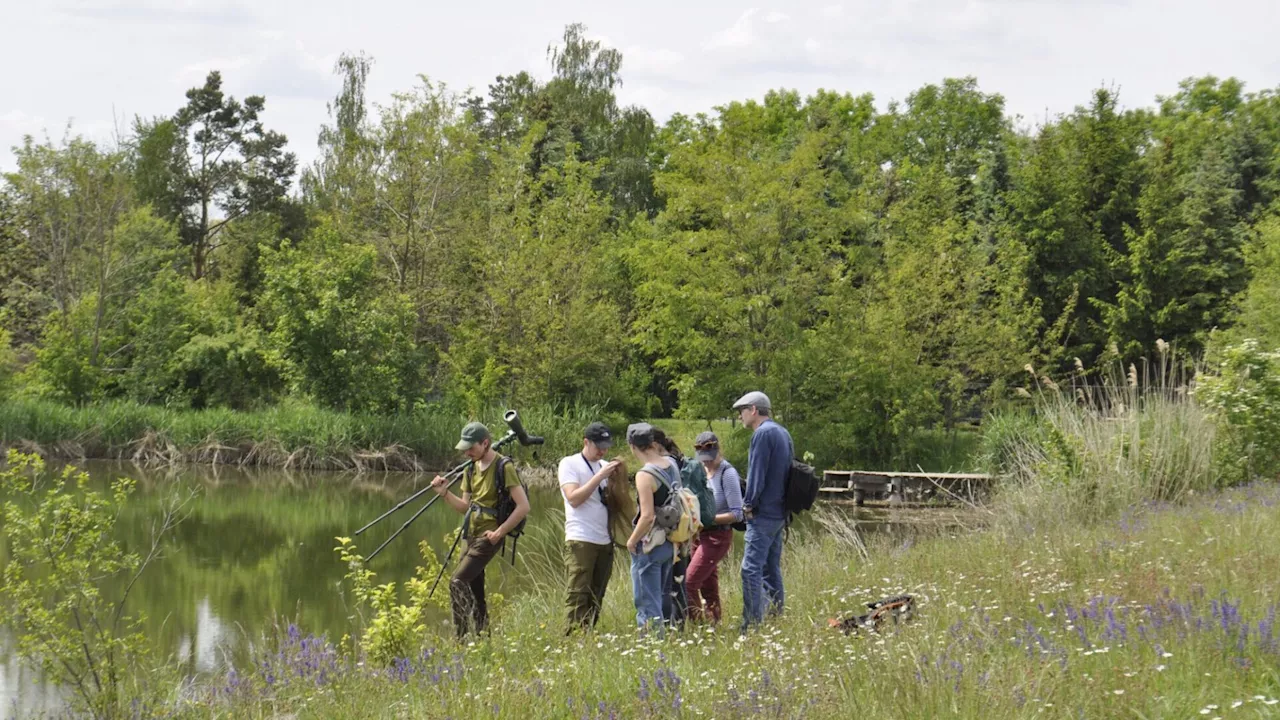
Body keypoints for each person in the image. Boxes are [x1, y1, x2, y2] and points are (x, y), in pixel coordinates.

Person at [430, 421, 530, 640]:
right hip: (470, 534)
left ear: (485, 443)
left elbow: (523, 506)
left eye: (471, 448)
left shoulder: (504, 467)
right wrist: (444, 493)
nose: (467, 453)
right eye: (464, 449)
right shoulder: (470, 468)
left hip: (489, 536)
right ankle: (484, 639)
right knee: (475, 590)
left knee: (457, 581)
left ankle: (462, 639)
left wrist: (500, 532)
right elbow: (465, 507)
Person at [733, 391, 793, 632]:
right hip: (780, 512)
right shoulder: (782, 432)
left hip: (764, 513)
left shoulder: (762, 434)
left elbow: (756, 475)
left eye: (742, 411)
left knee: (750, 570)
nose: (740, 417)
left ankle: (751, 625)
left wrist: (748, 505)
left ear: (754, 410)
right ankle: (776, 616)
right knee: (770, 568)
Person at [558, 422, 621, 632]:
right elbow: (574, 499)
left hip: (605, 539)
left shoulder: (603, 465)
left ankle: (588, 635)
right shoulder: (570, 464)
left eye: (606, 446)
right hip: (581, 539)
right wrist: (600, 477)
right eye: (598, 446)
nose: (603, 451)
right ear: (586, 442)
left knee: (597, 592)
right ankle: (572, 637)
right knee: (578, 592)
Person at [623, 422, 679, 633]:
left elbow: (646, 516)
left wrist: (632, 540)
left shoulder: (645, 475)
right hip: (669, 542)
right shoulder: (670, 464)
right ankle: (661, 643)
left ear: (632, 445)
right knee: (660, 596)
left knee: (647, 603)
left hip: (649, 545)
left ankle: (654, 653)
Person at [684, 431, 743, 624]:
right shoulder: (701, 471)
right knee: (708, 584)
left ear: (719, 451)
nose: (706, 462)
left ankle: (697, 626)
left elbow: (737, 513)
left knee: (689, 582)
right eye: (703, 459)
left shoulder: (728, 473)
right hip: (699, 535)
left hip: (718, 536)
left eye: (710, 458)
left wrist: (707, 519)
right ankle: (714, 623)